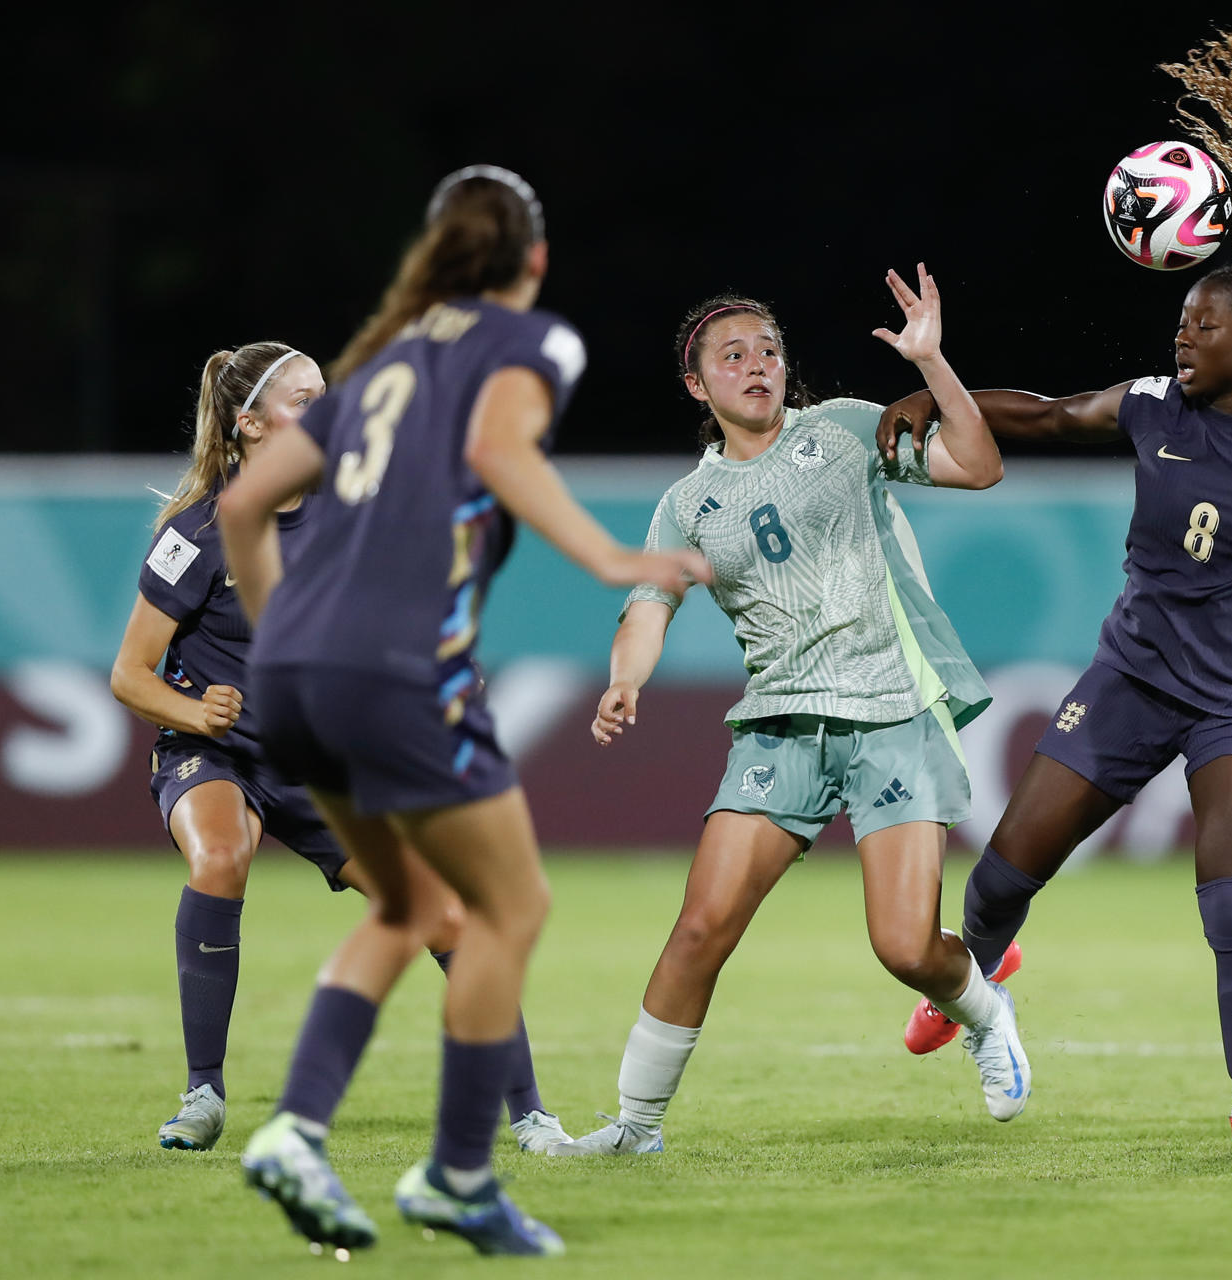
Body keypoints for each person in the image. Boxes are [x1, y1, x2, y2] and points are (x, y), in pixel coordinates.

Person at [876, 35, 1232, 1155]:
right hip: (1132, 673)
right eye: (1180, 322)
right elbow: (1042, 411)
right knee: (1001, 874)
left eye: (1203, 325)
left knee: (1231, 899)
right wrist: (930, 390)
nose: (1181, 336)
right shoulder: (1153, 406)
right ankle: (981, 967)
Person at [217, 166, 708, 1256]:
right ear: (533, 259)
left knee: (408, 906)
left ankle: (296, 1129)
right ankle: (457, 1173)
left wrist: (288, 632)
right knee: (511, 907)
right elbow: (497, 449)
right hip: (399, 667)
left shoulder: (380, 361)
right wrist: (611, 554)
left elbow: (245, 501)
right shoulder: (531, 344)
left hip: (293, 671)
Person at [551, 265, 1026, 1159]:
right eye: (732, 355)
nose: (757, 365)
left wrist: (933, 366)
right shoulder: (687, 504)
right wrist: (627, 678)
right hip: (781, 724)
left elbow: (981, 465)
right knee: (700, 928)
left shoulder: (845, 430)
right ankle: (635, 1130)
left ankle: (985, 1011)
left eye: (768, 349)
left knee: (903, 947)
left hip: (890, 710)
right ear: (698, 384)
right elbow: (647, 608)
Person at [109, 342, 567, 1156]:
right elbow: (128, 675)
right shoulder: (196, 534)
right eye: (306, 399)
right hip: (215, 753)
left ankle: (532, 1119)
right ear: (251, 426)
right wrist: (196, 710)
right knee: (220, 856)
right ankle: (203, 1094)